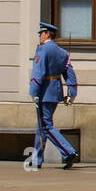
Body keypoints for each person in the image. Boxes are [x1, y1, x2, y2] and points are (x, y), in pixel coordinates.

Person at [28, 21, 79, 170]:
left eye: (41, 34)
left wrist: (33, 92)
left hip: (44, 91)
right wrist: (72, 93)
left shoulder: (43, 50)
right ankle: (37, 158)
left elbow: (39, 72)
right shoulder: (62, 52)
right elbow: (69, 73)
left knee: (46, 125)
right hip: (56, 91)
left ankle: (69, 151)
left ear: (47, 34)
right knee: (41, 126)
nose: (39, 36)